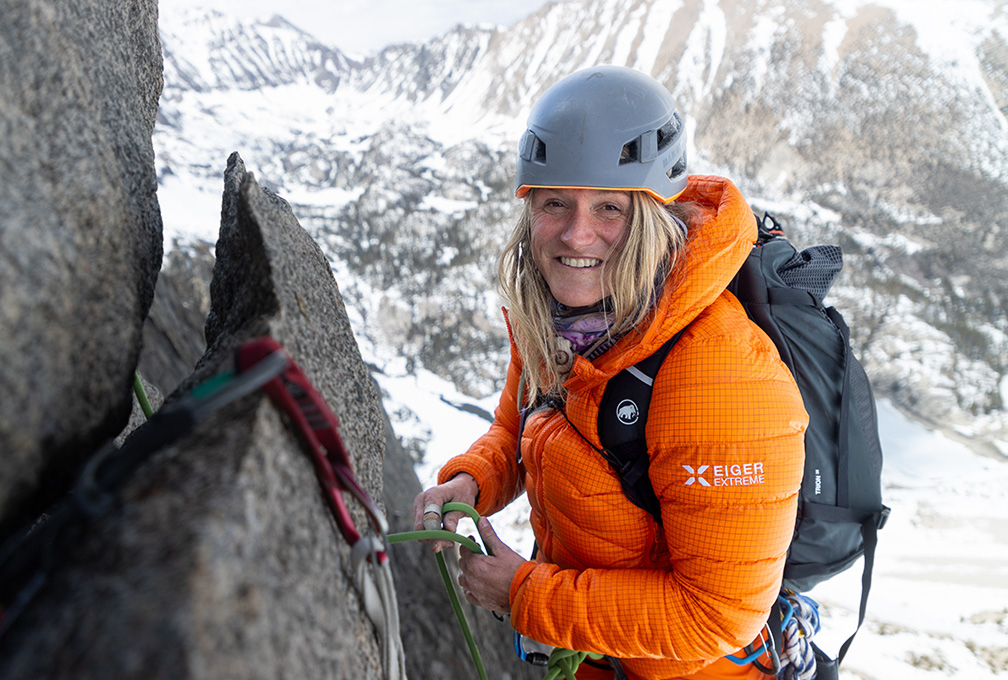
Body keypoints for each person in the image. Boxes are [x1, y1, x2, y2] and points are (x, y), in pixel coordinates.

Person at [413, 65, 807, 680]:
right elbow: (521, 429)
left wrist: (526, 595)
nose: (577, 235)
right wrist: (472, 481)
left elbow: (718, 615)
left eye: (609, 207)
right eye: (555, 203)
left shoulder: (717, 375)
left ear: (652, 216)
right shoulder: (553, 319)